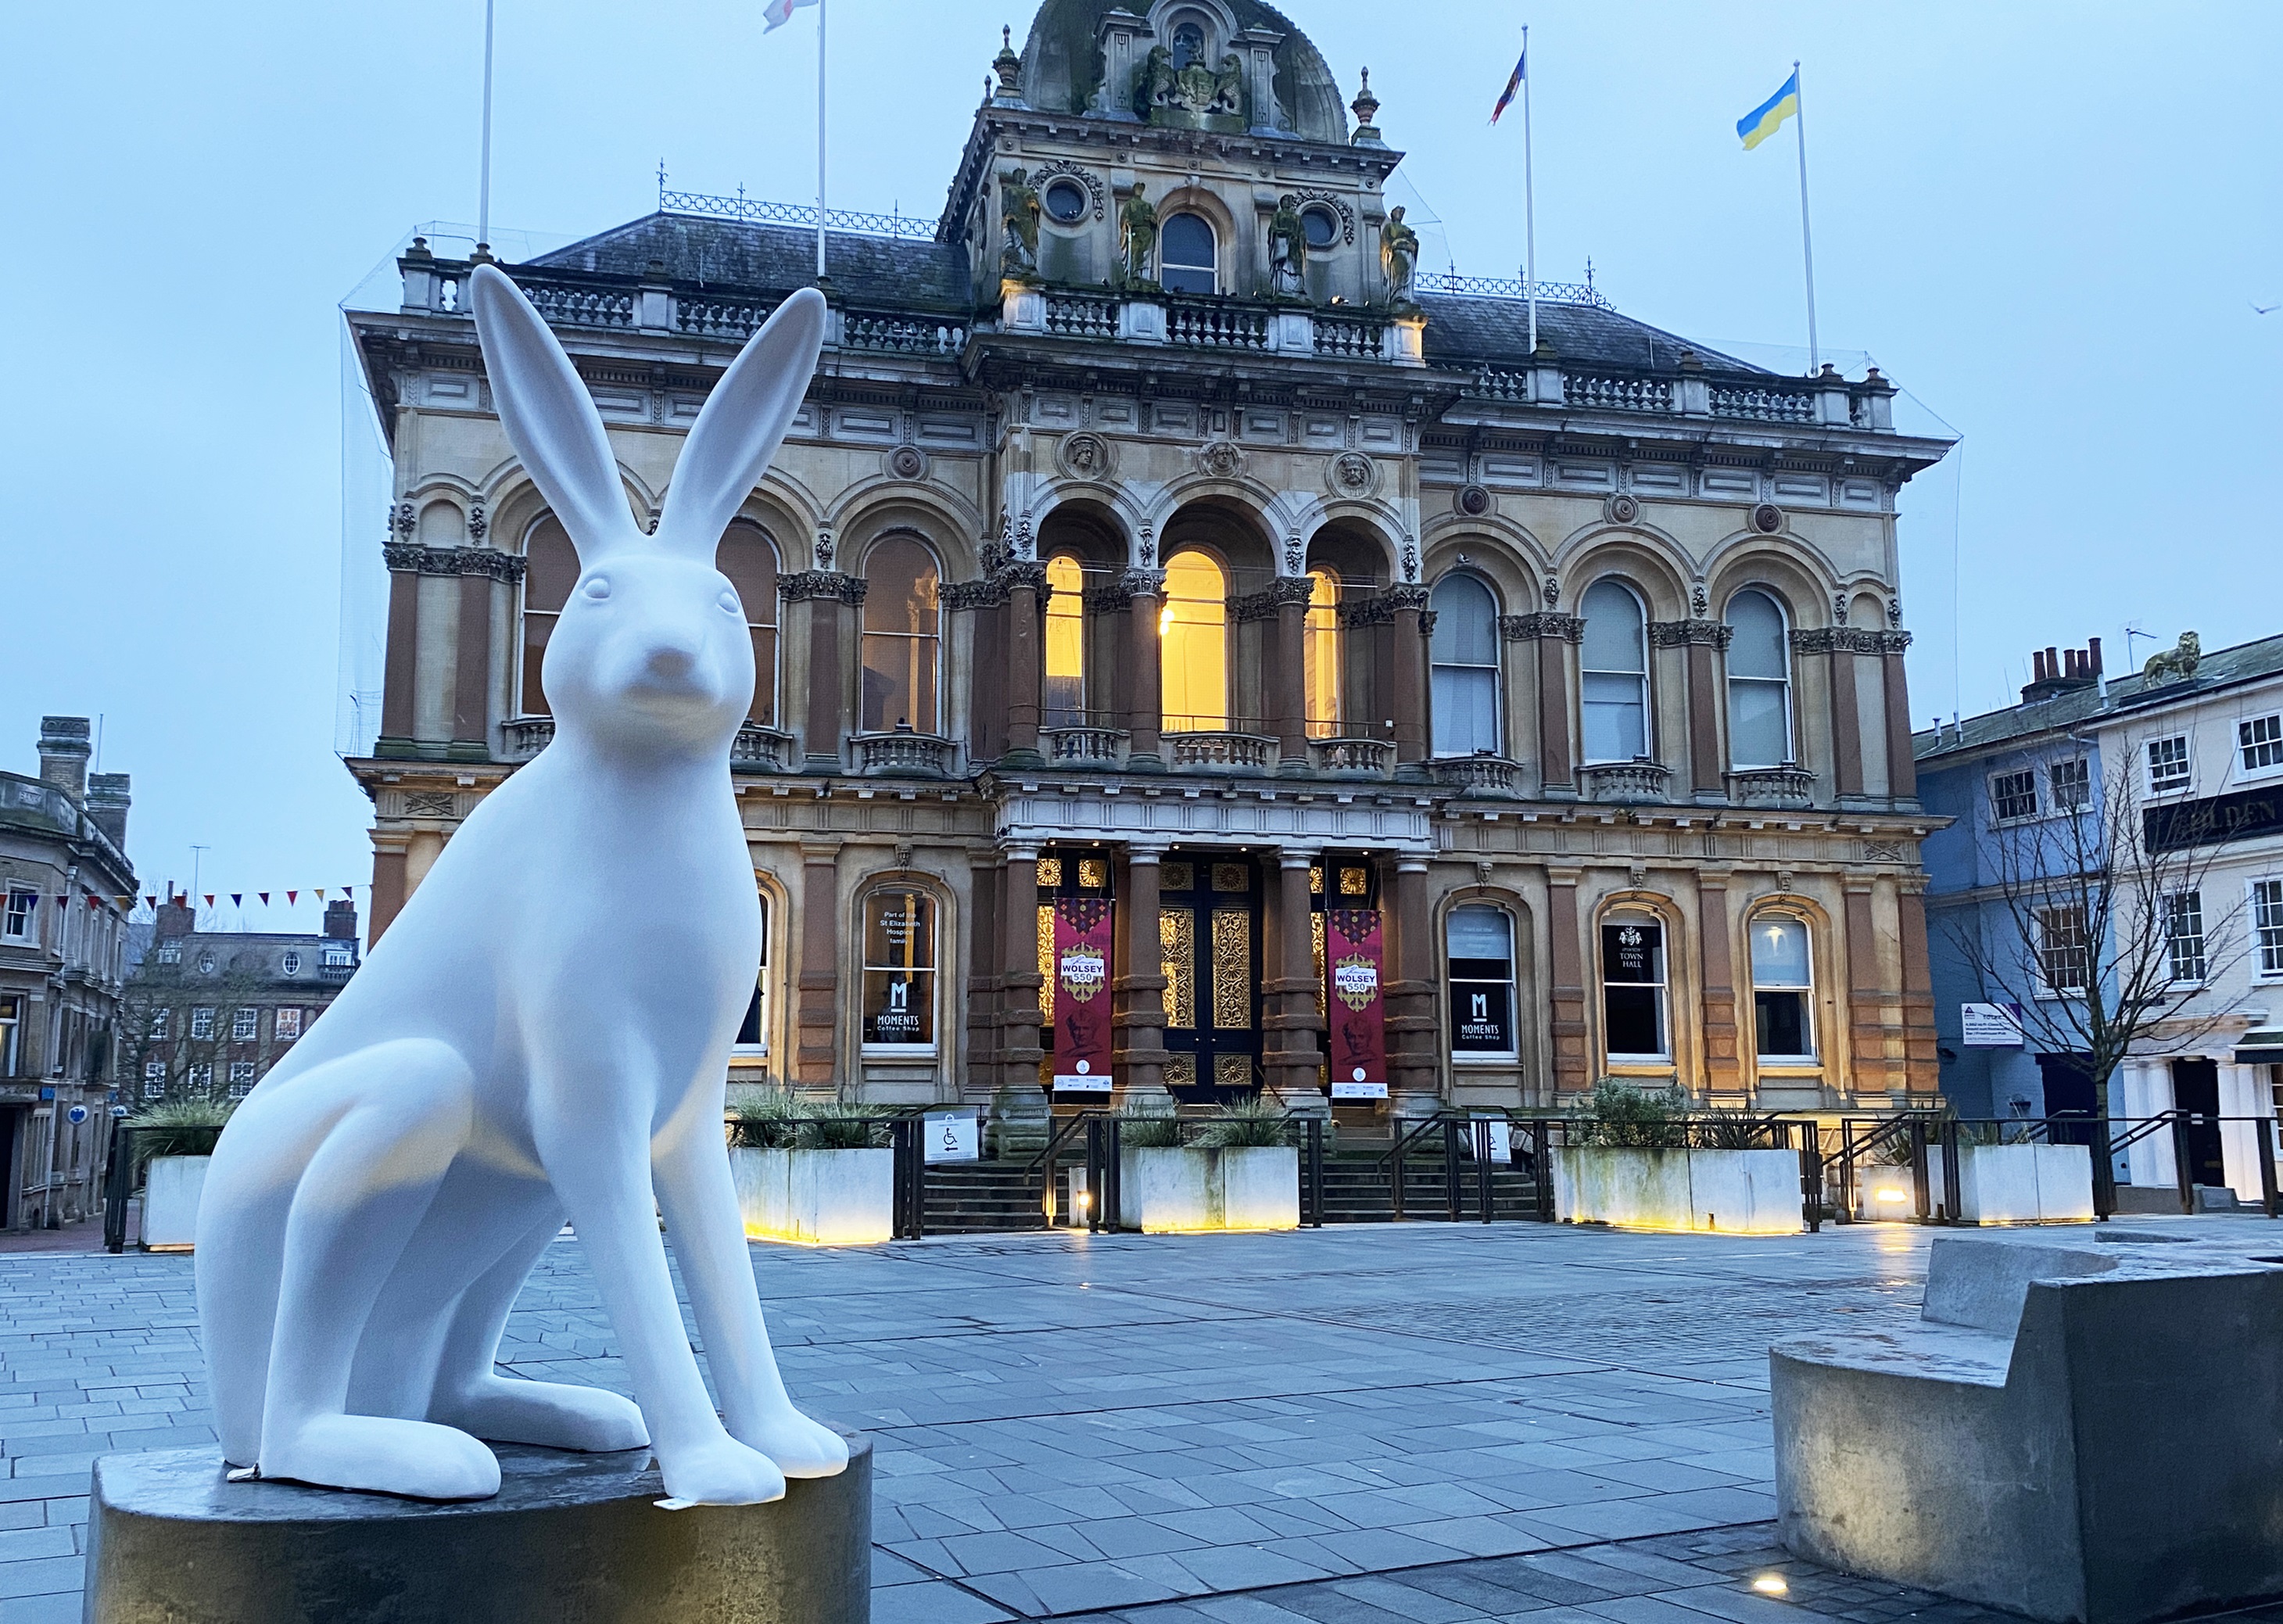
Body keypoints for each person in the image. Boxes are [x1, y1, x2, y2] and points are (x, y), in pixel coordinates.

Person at [1119, 182, 1159, 286]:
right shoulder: (1129, 204)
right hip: (1135, 232)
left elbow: (1155, 220)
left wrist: (1150, 218)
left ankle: (1144, 275)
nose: (1139, 192)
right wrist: (1127, 223)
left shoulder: (1147, 205)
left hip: (1146, 232)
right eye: (1138, 190)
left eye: (1141, 190)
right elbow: (1124, 218)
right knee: (1136, 253)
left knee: (1146, 254)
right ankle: (1135, 272)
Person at [1380, 205, 1419, 307]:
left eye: (1401, 212)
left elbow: (1414, 243)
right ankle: (1397, 294)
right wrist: (1398, 244)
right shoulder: (1389, 227)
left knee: (1407, 275)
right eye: (1397, 212)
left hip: (1408, 254)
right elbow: (1386, 241)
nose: (1400, 214)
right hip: (1397, 253)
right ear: (1392, 214)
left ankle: (1405, 296)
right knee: (1399, 272)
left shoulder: (1406, 228)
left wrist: (1413, 242)